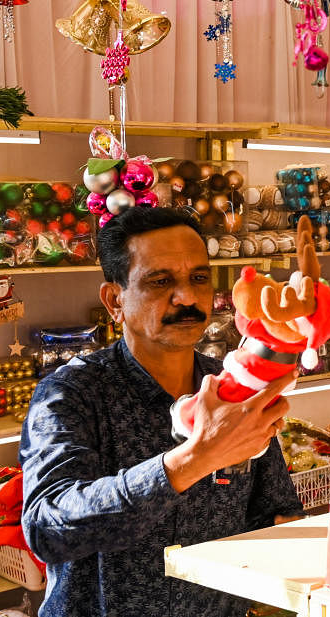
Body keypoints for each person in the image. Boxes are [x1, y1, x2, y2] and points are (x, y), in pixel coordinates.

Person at [20, 206, 304, 617]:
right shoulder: (71, 393)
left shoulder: (234, 388)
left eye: (199, 279)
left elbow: (273, 513)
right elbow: (48, 529)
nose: (187, 297)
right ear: (114, 300)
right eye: (160, 281)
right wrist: (194, 459)